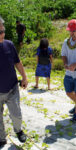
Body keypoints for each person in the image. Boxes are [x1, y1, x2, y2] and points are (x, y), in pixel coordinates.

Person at [0, 19, 28, 148]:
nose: (2, 34)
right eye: (0, 32)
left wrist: (24, 77)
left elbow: (17, 62)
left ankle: (18, 130)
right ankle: (1, 137)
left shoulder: (9, 44)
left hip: (12, 88)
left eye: (3, 31)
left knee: (16, 114)